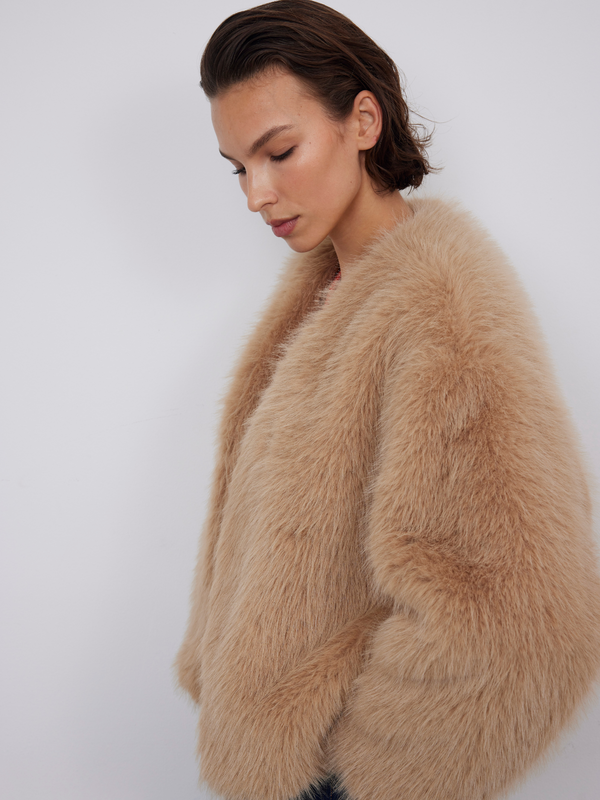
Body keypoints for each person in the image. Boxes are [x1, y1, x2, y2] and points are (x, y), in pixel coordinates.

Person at [176, 3, 600, 800]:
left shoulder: (442, 311)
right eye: (238, 168)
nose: (256, 194)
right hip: (287, 750)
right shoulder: (330, 293)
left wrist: (365, 767)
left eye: (280, 152)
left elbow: (527, 618)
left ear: (363, 121)